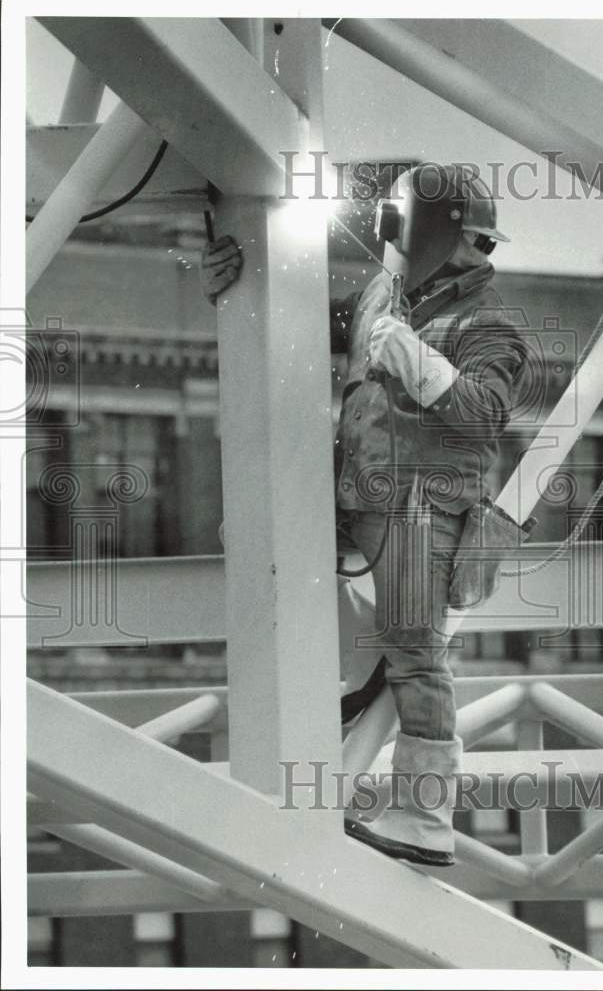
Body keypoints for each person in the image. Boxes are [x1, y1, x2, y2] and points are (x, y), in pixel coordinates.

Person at [201, 164, 528, 867]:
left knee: (414, 653)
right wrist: (236, 283)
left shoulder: (489, 321)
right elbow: (294, 317)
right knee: (264, 551)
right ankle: (323, 718)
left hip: (422, 507)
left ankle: (426, 818)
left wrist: (421, 365)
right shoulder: (383, 294)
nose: (481, 257)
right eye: (474, 241)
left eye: (484, 245)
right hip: (352, 494)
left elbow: (485, 416)